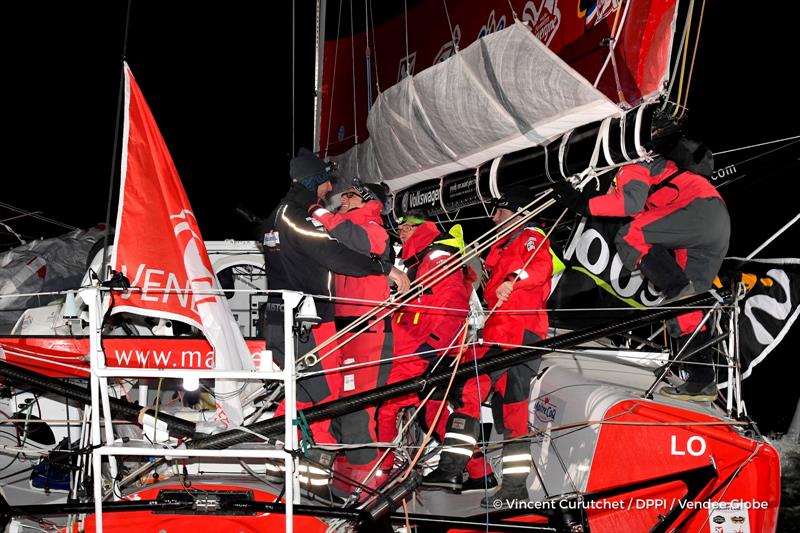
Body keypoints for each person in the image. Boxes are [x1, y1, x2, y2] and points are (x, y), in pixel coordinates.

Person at [260, 148, 408, 493]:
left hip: (296, 321)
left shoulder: (277, 216)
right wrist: (384, 268)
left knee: (314, 394)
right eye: (327, 180)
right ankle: (299, 470)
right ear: (315, 181)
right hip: (307, 322)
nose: (333, 189)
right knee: (321, 395)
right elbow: (331, 254)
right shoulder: (295, 215)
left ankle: (298, 470)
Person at [551, 137, 730, 400]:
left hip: (698, 209)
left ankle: (675, 286)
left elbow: (630, 204)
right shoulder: (663, 170)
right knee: (686, 308)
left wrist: (581, 203)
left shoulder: (635, 164)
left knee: (630, 236)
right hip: (718, 222)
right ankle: (702, 381)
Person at [423, 188, 557, 503]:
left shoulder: (530, 235)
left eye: (501, 211)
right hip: (505, 335)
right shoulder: (498, 249)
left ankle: (478, 475)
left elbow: (540, 266)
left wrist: (515, 278)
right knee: (492, 401)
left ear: (518, 213)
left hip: (517, 334)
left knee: (490, 398)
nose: (494, 217)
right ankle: (484, 476)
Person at [309, 178, 394, 492]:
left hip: (367, 328)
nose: (342, 198)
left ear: (366, 199)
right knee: (337, 405)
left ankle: (366, 489)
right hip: (343, 327)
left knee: (357, 410)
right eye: (342, 194)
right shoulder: (340, 230)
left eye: (349, 195)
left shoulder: (371, 225)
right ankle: (342, 483)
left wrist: (320, 213)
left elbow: (364, 242)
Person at [375, 213, 472, 477]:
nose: (402, 232)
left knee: (383, 406)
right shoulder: (418, 261)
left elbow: (454, 303)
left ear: (423, 228)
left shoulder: (435, 256)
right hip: (419, 349)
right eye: (400, 228)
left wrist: (436, 347)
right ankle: (476, 470)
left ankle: (381, 473)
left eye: (408, 227)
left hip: (424, 351)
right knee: (432, 414)